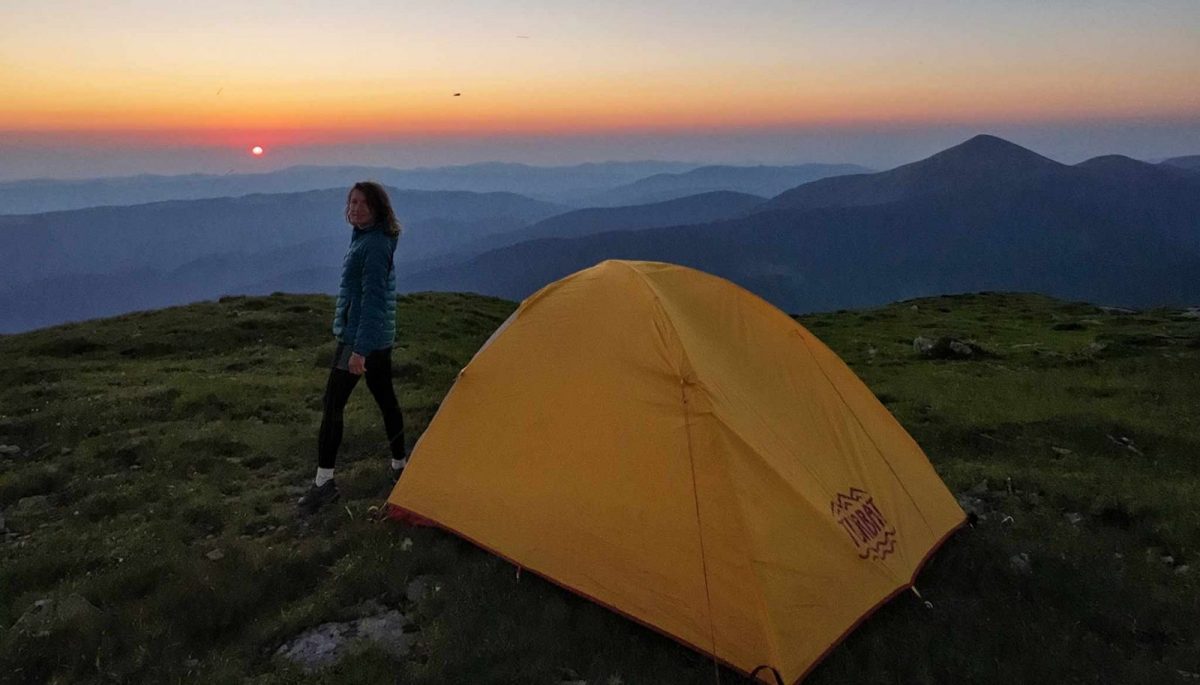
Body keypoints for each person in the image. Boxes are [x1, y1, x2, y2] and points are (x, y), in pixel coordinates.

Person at [299, 181, 407, 514]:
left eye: (361, 203)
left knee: (332, 404)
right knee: (385, 397)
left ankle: (324, 484)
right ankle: (400, 465)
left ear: (377, 208)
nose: (354, 208)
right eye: (351, 202)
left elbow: (373, 302)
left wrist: (359, 350)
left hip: (361, 339)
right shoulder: (366, 238)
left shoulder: (373, 246)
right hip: (375, 337)